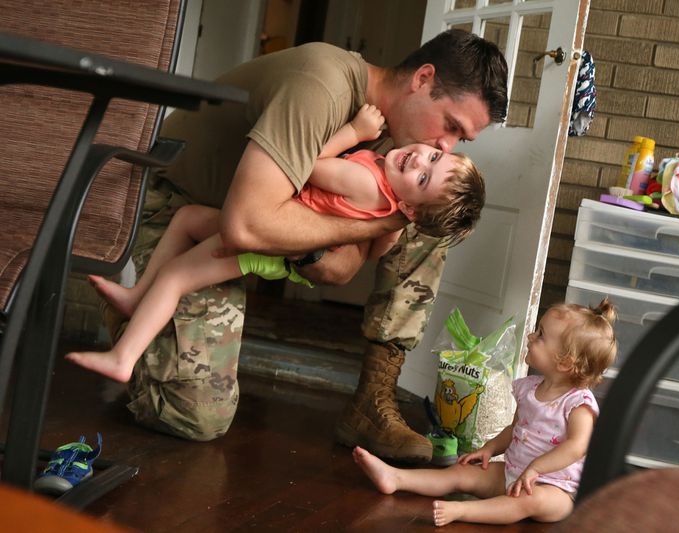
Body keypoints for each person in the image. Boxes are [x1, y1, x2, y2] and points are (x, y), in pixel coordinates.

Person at [102, 29, 508, 457]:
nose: (445, 145)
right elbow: (247, 227)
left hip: (238, 225)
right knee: (196, 414)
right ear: (423, 79)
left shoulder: (405, 153)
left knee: (432, 213)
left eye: (460, 140)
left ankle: (373, 399)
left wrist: (352, 236)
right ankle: (138, 310)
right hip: (175, 201)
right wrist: (368, 228)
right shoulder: (320, 85)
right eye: (451, 126)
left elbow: (341, 268)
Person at [68, 104, 485, 383]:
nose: (419, 160)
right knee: (188, 218)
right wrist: (389, 221)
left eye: (423, 179)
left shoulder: (366, 181)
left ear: (411, 208)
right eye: (434, 157)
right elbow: (379, 248)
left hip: (268, 241)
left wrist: (353, 131)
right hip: (280, 236)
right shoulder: (391, 207)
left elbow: (307, 163)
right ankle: (135, 297)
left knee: (176, 277)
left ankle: (124, 358)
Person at [352, 298, 618, 526]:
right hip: (513, 472)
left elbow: (577, 446)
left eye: (540, 335)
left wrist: (536, 469)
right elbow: (515, 428)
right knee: (460, 473)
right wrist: (489, 449)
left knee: (529, 501)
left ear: (565, 362)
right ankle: (396, 478)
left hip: (556, 490)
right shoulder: (530, 388)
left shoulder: (577, 403)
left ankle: (463, 511)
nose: (530, 336)